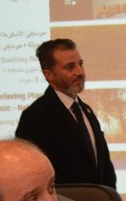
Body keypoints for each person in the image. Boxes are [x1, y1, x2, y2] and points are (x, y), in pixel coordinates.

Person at [16, 38, 117, 188]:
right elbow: (33, 175)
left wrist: (109, 197)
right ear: (49, 75)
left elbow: (104, 166)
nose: (80, 72)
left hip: (99, 200)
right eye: (70, 67)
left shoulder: (86, 110)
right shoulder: (35, 117)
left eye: (80, 64)